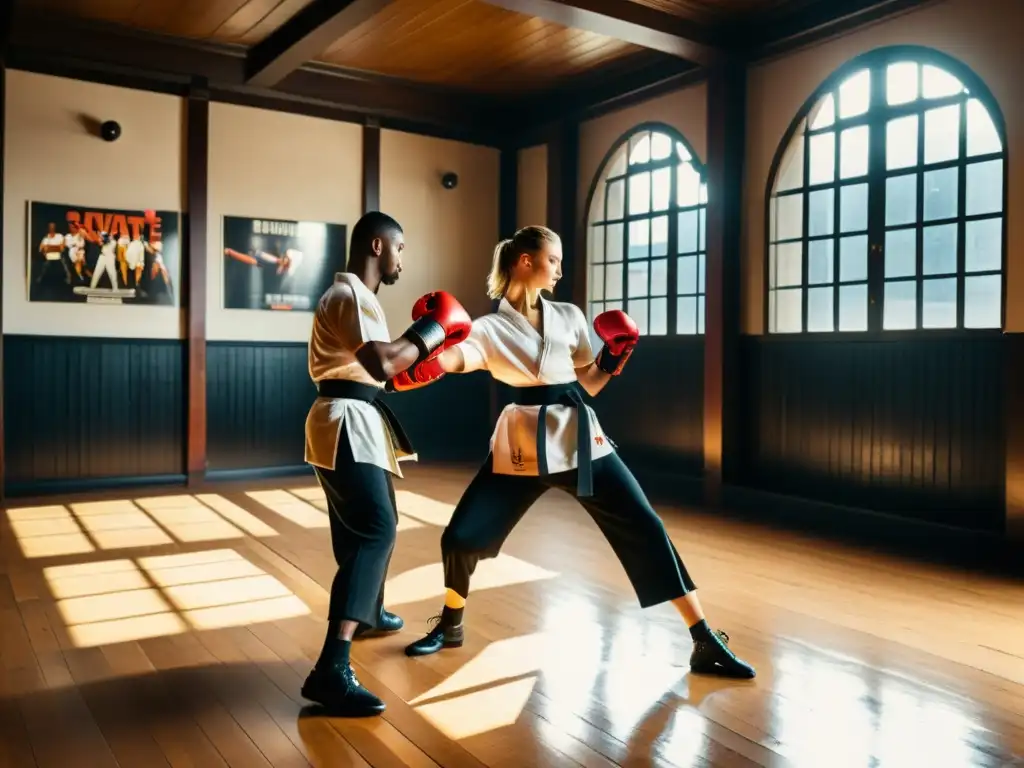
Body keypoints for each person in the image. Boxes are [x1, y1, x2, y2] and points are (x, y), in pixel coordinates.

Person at [391, 225, 756, 680]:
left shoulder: (569, 316)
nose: (561, 269)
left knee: (645, 525)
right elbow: (454, 359)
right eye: (554, 260)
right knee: (461, 538)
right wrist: (424, 361)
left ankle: (704, 639)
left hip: (580, 439)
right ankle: (451, 624)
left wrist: (613, 358)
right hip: (520, 448)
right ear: (525, 261)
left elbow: (588, 383)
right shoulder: (489, 328)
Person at [300, 211, 473, 716]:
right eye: (399, 247)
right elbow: (383, 362)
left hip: (350, 415)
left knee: (370, 523)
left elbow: (383, 369)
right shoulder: (352, 294)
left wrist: (417, 349)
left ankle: (369, 612)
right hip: (347, 418)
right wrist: (432, 330)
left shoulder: (358, 298)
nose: (402, 258)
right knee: (375, 530)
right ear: (377, 246)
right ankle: (332, 667)